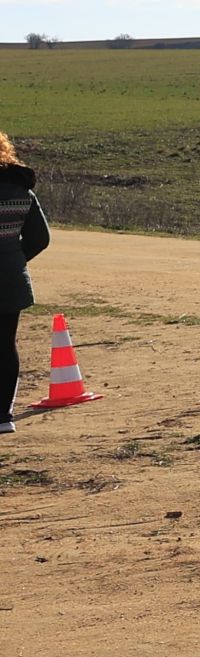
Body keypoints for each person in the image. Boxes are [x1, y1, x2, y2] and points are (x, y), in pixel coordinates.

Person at [0, 131, 51, 435]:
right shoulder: (22, 192)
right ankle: (3, 415)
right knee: (5, 345)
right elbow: (41, 238)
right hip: (11, 280)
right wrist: (16, 260)